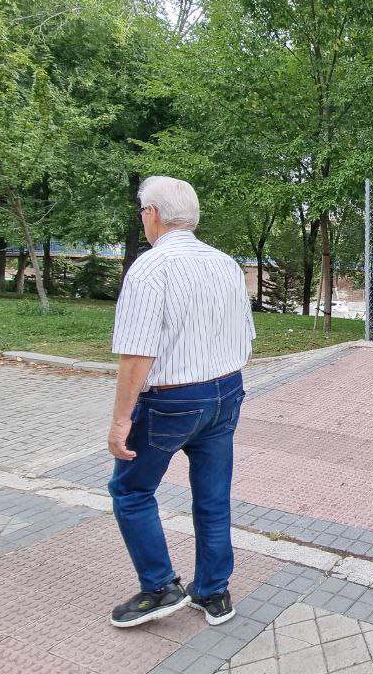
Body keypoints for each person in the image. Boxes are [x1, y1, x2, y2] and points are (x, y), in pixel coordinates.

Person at [105, 176, 255, 628]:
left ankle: (159, 587)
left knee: (130, 490)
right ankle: (213, 593)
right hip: (227, 391)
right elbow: (246, 333)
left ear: (152, 214)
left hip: (171, 400)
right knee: (212, 498)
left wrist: (120, 421)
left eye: (142, 213)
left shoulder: (151, 268)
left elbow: (137, 354)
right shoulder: (226, 263)